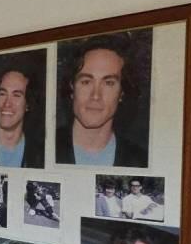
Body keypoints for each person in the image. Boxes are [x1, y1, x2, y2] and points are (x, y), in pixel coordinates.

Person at [55, 37, 148, 167]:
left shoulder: (141, 161)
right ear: (72, 88)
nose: (95, 95)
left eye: (109, 83)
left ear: (122, 93)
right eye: (86, 82)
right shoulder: (40, 150)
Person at [0, 66, 45, 168]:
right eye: (2, 94)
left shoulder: (40, 156)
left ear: (27, 104)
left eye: (16, 95)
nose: (7, 103)